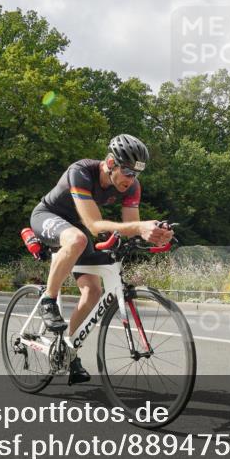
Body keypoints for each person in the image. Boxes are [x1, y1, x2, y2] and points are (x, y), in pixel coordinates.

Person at [27, 134, 172, 384]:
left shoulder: (132, 187)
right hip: (48, 216)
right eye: (127, 171)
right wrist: (139, 228)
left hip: (78, 228)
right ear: (110, 162)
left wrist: (156, 233)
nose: (131, 179)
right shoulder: (81, 172)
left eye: (136, 174)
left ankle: (66, 350)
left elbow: (130, 226)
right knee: (77, 239)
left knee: (93, 291)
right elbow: (94, 225)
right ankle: (48, 301)